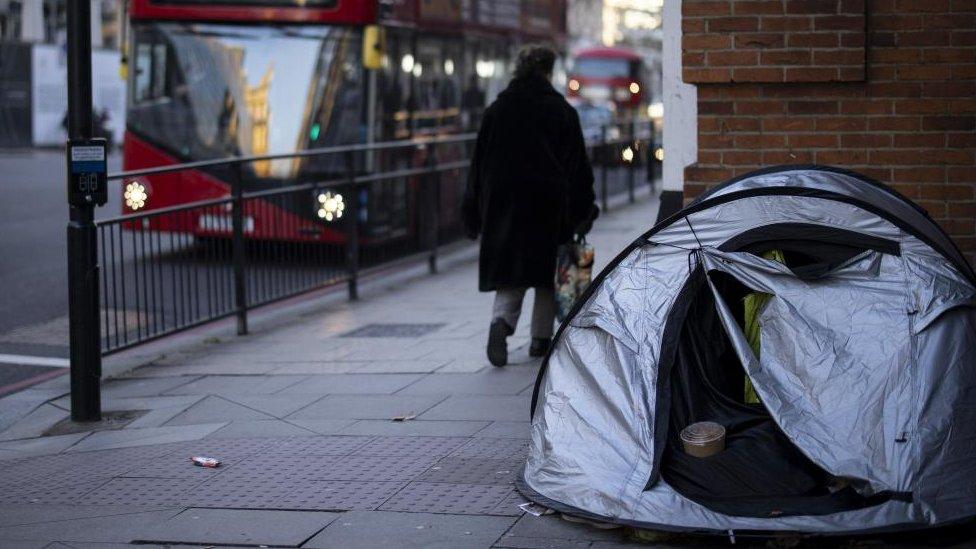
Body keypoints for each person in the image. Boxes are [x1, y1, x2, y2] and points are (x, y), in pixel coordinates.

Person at [462, 44, 597, 367]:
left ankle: (501, 324)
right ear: (549, 72)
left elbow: (478, 165)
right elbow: (578, 167)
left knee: (513, 272)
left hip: (504, 204)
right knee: (549, 274)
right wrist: (584, 209)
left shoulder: (496, 111)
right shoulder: (562, 111)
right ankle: (540, 339)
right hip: (550, 204)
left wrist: (474, 210)